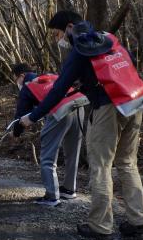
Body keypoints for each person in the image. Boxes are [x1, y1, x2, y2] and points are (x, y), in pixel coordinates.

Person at [20, 12, 143, 240]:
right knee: (127, 163)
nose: (59, 40)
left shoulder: (80, 50)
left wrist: (33, 116)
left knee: (101, 166)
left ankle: (101, 226)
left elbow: (58, 90)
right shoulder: (109, 39)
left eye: (57, 34)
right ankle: (139, 221)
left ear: (69, 27)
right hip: (135, 101)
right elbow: (130, 65)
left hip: (106, 108)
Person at [12, 63, 88, 207]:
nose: (17, 83)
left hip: (58, 111)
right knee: (73, 153)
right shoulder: (50, 76)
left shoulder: (28, 86)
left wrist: (16, 132)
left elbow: (20, 116)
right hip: (78, 105)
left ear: (21, 76)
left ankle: (52, 196)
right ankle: (69, 190)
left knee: (47, 156)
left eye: (16, 79)